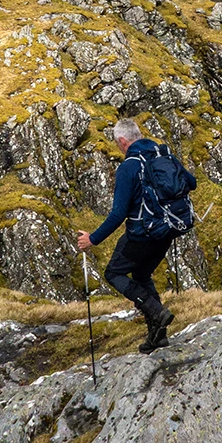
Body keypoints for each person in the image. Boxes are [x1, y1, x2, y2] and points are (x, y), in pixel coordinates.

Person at [76, 117, 179, 353]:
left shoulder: (129, 166)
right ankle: (158, 336)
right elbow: (189, 183)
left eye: (116, 144)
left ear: (122, 141)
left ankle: (157, 312)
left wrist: (92, 239)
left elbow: (118, 214)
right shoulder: (162, 155)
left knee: (114, 273)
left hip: (143, 233)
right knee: (141, 274)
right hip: (167, 230)